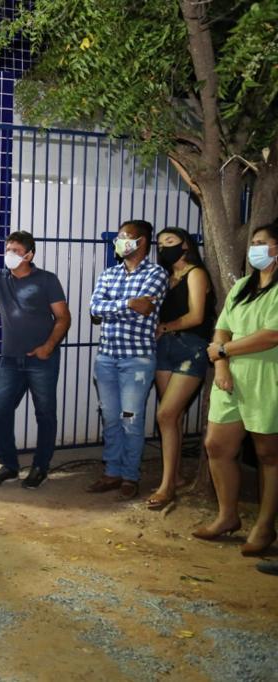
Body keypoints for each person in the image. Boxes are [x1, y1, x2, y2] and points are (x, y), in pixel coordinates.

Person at [195, 223, 278, 559]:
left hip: (267, 377)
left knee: (268, 455)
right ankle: (227, 515)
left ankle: (265, 525)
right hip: (229, 377)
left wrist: (223, 351)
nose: (254, 248)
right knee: (216, 445)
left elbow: (271, 335)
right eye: (253, 242)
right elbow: (222, 328)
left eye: (261, 243)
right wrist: (221, 364)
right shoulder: (243, 286)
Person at [0, 230, 71, 488]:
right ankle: (10, 465)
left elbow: (63, 317)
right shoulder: (0, 278)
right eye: (8, 250)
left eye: (16, 251)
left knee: (45, 414)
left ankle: (40, 467)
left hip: (42, 360)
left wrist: (48, 347)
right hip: (11, 360)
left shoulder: (46, 280)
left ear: (29, 255)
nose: (9, 254)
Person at [86, 220, 168, 499]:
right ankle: (112, 472)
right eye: (119, 237)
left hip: (137, 360)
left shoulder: (156, 273)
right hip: (106, 358)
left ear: (141, 241)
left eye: (125, 236)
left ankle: (130, 475)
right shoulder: (108, 274)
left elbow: (145, 309)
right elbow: (95, 308)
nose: (119, 241)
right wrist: (129, 303)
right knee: (110, 418)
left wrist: (119, 306)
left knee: (131, 419)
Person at [148, 228, 215, 509]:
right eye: (161, 243)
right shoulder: (164, 277)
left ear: (185, 245)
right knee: (172, 418)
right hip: (164, 349)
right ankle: (173, 477)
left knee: (165, 414)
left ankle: (166, 488)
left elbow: (197, 315)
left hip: (190, 347)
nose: (164, 247)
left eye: (170, 242)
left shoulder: (196, 273)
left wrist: (165, 327)